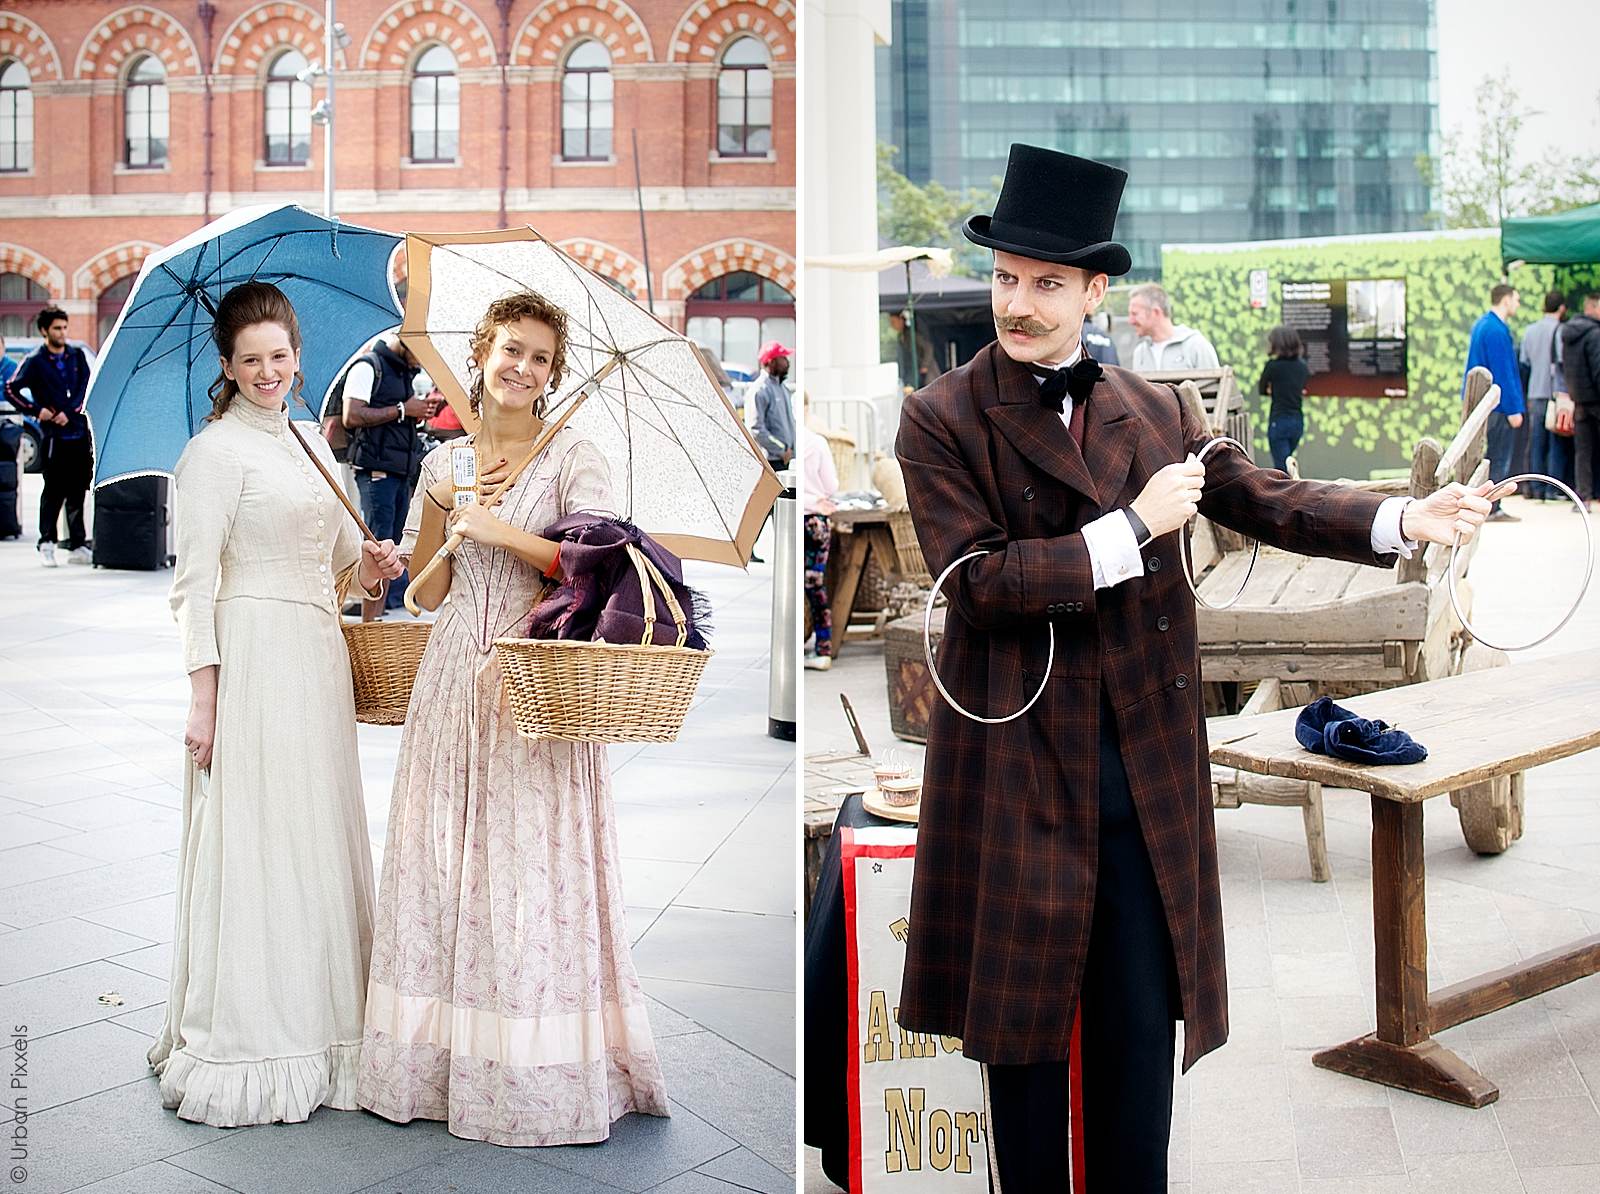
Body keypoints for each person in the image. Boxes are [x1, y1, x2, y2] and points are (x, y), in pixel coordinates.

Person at [894, 143, 1497, 1191]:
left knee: (1138, 1042)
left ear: (1094, 290)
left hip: (1142, 777)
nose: (1018, 304)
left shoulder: (1160, 409)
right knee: (1021, 1054)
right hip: (1018, 775)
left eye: (1045, 283)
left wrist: (1404, 518)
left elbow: (1267, 498)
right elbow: (975, 584)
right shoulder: (939, 416)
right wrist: (1129, 530)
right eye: (1005, 278)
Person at [357, 290, 669, 1146]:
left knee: (529, 865)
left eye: (539, 358)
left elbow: (601, 567)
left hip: (536, 676)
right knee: (445, 858)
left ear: (552, 373)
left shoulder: (575, 456)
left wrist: (504, 532)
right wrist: (443, 530)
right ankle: (436, 1063)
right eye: (510, 350)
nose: (522, 368)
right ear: (481, 354)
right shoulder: (443, 463)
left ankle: (532, 1067)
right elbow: (426, 592)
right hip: (452, 674)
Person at [153, 281, 405, 1126]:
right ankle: (256, 1033)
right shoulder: (212, 454)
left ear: (299, 360)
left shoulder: (310, 445)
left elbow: (336, 569)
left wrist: (371, 567)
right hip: (252, 659)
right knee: (259, 835)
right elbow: (192, 588)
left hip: (316, 658)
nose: (268, 371)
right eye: (251, 359)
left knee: (316, 831)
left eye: (280, 356)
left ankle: (332, 1029)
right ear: (228, 366)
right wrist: (204, 700)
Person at [342, 334, 434, 618]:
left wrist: (414, 413)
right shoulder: (369, 366)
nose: (421, 362)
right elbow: (351, 415)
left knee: (393, 549)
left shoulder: (405, 372)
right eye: (420, 353)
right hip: (376, 470)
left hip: (400, 470)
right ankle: (369, 625)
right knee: (379, 550)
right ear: (407, 342)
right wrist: (403, 409)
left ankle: (377, 621)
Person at [4, 306, 93, 565]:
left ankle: (77, 543)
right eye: (57, 328)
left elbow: (85, 387)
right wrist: (36, 411)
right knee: (53, 491)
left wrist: (70, 412)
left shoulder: (76, 355)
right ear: (45, 331)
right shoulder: (35, 360)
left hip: (78, 433)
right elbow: (11, 389)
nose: (62, 333)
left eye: (64, 327)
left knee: (77, 490)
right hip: (53, 436)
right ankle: (47, 542)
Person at [1465, 283, 1525, 521]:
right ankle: (1493, 506)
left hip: (1484, 405)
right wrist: (1513, 408)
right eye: (1516, 299)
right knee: (1498, 457)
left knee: (1490, 455)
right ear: (1506, 299)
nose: (1518, 304)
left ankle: (1489, 505)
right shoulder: (1496, 330)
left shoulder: (1482, 325)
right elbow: (1503, 372)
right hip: (1498, 406)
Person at [1520, 290, 1573, 500]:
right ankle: (1553, 489)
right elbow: (1563, 363)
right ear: (1562, 308)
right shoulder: (1562, 331)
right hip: (1555, 394)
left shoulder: (1530, 331)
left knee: (1536, 442)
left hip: (1535, 392)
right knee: (1556, 443)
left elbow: (1524, 361)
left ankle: (1535, 488)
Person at [801, 396, 839, 671]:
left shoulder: (791, 444)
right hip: (816, 520)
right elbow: (832, 485)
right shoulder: (816, 442)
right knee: (815, 586)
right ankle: (823, 648)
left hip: (795, 518)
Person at [1128, 282, 1220, 373]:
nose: (1130, 321)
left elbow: (1213, 382)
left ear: (1156, 312)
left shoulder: (1196, 345)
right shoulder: (1140, 353)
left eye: (1135, 314)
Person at [1562, 291, 1600, 510]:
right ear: (1593, 308)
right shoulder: (1594, 334)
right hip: (1596, 400)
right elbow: (1598, 370)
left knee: (1583, 452)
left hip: (1578, 400)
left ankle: (1583, 498)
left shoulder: (1568, 333)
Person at [1258, 324, 1311, 472]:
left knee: (1282, 470)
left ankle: (1291, 488)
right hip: (1297, 422)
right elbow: (1302, 388)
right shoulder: (1302, 366)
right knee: (1288, 464)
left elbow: (1262, 389)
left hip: (1279, 421)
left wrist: (1273, 390)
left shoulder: (1272, 366)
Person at [750, 341, 796, 469]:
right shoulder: (760, 390)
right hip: (771, 461)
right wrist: (782, 450)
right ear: (771, 361)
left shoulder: (783, 388)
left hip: (785, 459)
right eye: (783, 358)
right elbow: (756, 429)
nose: (787, 362)